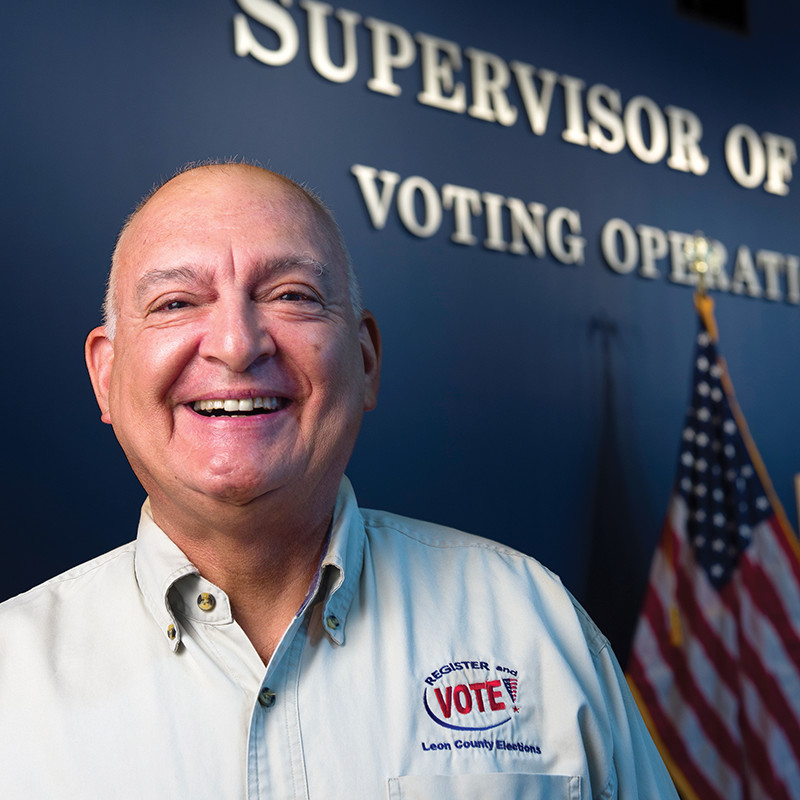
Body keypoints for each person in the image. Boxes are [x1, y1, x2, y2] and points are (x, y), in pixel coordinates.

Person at [0, 163, 678, 798]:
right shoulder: (13, 677)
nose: (237, 345)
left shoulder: (537, 624)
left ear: (365, 359)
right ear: (105, 377)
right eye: (176, 303)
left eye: (291, 295)